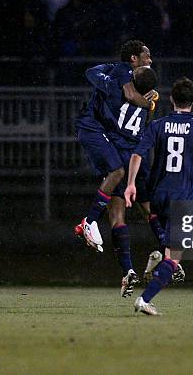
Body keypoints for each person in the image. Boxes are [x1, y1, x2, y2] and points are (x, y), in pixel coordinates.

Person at [124, 77, 193, 315]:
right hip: (184, 198)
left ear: (171, 99)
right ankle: (144, 299)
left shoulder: (158, 126)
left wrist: (131, 184)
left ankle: (160, 256)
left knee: (165, 239)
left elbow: (137, 155)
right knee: (174, 258)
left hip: (159, 194)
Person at [74, 39, 159, 298]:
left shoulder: (124, 78)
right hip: (134, 154)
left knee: (118, 213)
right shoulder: (136, 84)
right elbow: (137, 105)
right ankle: (168, 254)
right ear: (134, 59)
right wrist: (151, 104)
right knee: (147, 209)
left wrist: (107, 84)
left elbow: (95, 76)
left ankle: (128, 268)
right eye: (147, 55)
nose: (150, 60)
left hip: (118, 149)